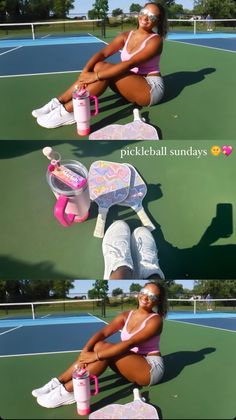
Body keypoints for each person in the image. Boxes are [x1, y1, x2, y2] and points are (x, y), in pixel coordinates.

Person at [32, 281, 168, 408]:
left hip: (149, 369)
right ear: (139, 292)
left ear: (157, 301)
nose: (146, 297)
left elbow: (129, 343)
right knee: (99, 346)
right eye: (144, 291)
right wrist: (84, 352)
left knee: (103, 351)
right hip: (131, 363)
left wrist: (95, 356)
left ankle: (68, 391)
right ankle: (58, 382)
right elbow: (102, 333)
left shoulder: (155, 321)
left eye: (152, 296)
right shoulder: (126, 315)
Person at [32, 2, 168, 129]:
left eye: (152, 16)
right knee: (99, 66)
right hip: (130, 84)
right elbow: (103, 53)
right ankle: (58, 102)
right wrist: (85, 72)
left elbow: (129, 64)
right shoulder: (125, 35)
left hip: (149, 89)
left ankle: (67, 111)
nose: (145, 17)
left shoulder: (155, 41)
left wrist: (95, 76)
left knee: (102, 71)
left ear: (158, 21)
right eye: (144, 12)